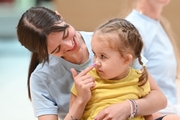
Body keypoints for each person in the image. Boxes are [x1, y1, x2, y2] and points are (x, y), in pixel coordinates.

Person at [16, 6, 167, 120]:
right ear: (44, 53)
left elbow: (158, 98)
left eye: (66, 34)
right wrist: (80, 100)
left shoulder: (109, 41)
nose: (70, 46)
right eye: (57, 49)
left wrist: (128, 107)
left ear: (59, 16)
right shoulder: (41, 78)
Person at [70, 18, 153, 120]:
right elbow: (72, 115)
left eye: (103, 56)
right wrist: (80, 98)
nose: (96, 62)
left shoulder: (139, 79)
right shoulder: (86, 80)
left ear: (126, 59)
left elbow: (148, 113)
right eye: (95, 54)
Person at [125, 0, 180, 116]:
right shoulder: (133, 28)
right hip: (159, 113)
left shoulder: (158, 25)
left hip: (171, 110)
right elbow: (130, 88)